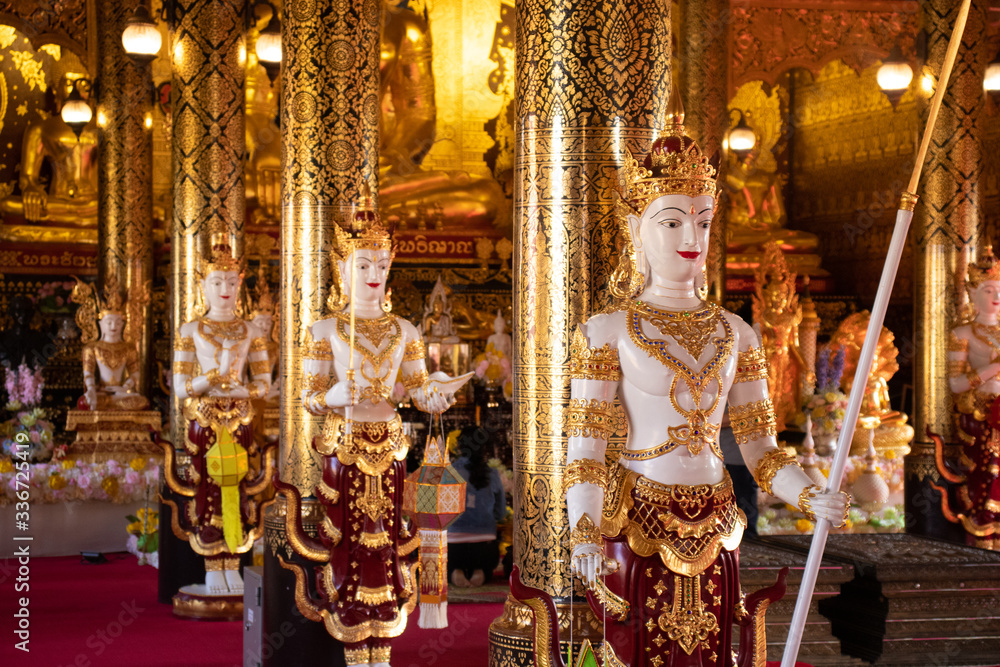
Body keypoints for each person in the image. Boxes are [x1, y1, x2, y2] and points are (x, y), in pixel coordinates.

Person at [565, 89, 849, 666]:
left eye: (702, 220)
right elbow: (586, 450)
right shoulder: (607, 330)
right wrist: (584, 530)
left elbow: (761, 450)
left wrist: (810, 496)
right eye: (671, 222)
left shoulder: (737, 333)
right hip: (639, 516)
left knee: (714, 655)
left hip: (718, 520)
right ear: (635, 229)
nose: (691, 238)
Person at [276, 201, 471, 667]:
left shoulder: (405, 330)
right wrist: (337, 394)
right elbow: (309, 397)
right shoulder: (323, 330)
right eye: (362, 264)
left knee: (386, 539)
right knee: (349, 538)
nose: (373, 273)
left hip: (390, 445)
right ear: (342, 270)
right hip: (344, 450)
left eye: (382, 265)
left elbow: (418, 389)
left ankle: (381, 633)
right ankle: (347, 622)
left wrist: (437, 396)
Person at [161, 234, 274, 597]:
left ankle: (235, 560)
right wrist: (213, 378)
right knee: (206, 489)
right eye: (215, 282)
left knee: (238, 487)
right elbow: (180, 388)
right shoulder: (189, 331)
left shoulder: (252, 331)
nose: (223, 288)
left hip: (239, 420)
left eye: (230, 281)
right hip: (204, 422)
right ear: (203, 286)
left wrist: (233, 388)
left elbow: (263, 385)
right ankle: (212, 563)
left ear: (240, 285)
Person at [945, 248, 1000, 550]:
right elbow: (956, 383)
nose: (995, 296)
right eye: (988, 290)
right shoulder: (963, 333)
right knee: (987, 481)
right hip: (981, 419)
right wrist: (993, 368)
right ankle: (983, 544)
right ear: (972, 292)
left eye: (999, 290)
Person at [448, 426, 506, 587]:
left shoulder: (449, 472)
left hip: (454, 546)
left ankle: (454, 571)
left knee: (446, 561)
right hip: (485, 546)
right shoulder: (493, 474)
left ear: (459, 448)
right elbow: (500, 513)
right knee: (485, 559)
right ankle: (481, 571)